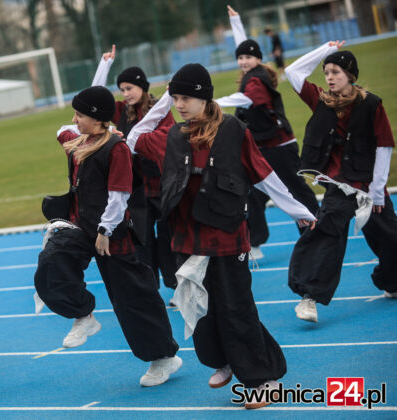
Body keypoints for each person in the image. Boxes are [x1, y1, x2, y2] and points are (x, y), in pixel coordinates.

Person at [127, 63, 316, 408]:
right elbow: (134, 137)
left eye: (185, 98)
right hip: (187, 240)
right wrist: (163, 101)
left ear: (205, 98)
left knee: (235, 308)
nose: (179, 105)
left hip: (227, 236)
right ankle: (225, 359)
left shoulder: (233, 130)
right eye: (175, 98)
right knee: (199, 308)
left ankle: (263, 380)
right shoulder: (173, 136)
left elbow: (263, 174)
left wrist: (297, 210)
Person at [34, 86, 181, 387]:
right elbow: (61, 129)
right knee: (51, 261)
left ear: (98, 118)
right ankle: (83, 315)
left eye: (80, 115)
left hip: (111, 233)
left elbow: (119, 195)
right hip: (79, 227)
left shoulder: (117, 148)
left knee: (132, 298)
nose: (74, 120)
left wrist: (105, 230)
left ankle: (163, 357)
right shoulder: (77, 141)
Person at [285, 41, 397, 322]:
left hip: (369, 186)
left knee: (390, 237)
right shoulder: (321, 100)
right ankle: (309, 298)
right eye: (326, 73)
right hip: (338, 185)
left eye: (335, 71)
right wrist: (325, 50)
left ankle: (391, 281)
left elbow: (384, 146)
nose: (329, 77)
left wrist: (378, 191)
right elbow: (293, 73)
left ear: (350, 75)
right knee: (327, 236)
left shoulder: (371, 105)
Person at [217, 5, 319, 260]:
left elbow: (246, 99)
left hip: (280, 146)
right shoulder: (250, 72)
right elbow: (244, 46)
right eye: (240, 58)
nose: (243, 61)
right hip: (260, 147)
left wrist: (212, 103)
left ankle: (316, 229)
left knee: (296, 189)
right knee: (252, 194)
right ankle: (255, 242)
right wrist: (236, 22)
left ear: (258, 59)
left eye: (248, 58)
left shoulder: (257, 79)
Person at [92, 45, 178, 292]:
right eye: (122, 89)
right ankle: (150, 288)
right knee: (142, 240)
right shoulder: (121, 111)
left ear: (142, 86)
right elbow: (95, 97)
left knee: (168, 238)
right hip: (136, 190)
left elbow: (168, 140)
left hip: (162, 185)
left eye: (129, 88)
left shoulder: (160, 110)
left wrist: (139, 144)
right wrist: (105, 65)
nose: (125, 93)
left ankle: (175, 285)